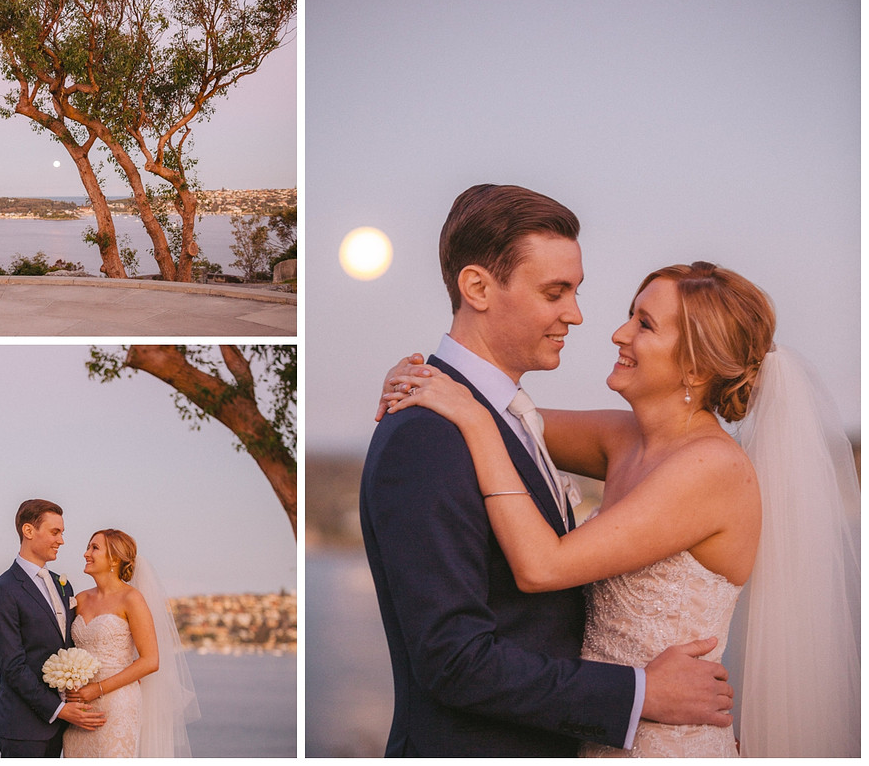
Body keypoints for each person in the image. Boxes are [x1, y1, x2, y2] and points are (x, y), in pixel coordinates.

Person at [383, 261, 860, 756]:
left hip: (667, 741)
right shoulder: (622, 438)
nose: (618, 333)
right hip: (602, 731)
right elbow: (499, 414)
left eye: (645, 325)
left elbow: (542, 566)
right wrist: (420, 382)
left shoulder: (711, 467)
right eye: (630, 315)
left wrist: (474, 423)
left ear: (695, 367)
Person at [359, 184, 734, 757]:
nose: (579, 316)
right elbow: (453, 660)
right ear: (478, 287)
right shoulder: (426, 437)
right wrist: (637, 693)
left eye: (576, 291)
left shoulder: (499, 416)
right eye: (556, 292)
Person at [62, 529, 199, 758]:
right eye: (88, 547)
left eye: (94, 548)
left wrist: (98, 688)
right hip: (79, 706)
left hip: (116, 704)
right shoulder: (81, 599)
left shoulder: (131, 599)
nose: (86, 553)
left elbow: (150, 661)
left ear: (114, 559)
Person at [0, 499, 106, 757]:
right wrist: (59, 709)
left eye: (61, 533)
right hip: (23, 727)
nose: (61, 540)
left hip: (63, 727)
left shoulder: (63, 585)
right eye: (55, 532)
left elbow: (68, 646)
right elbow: (12, 665)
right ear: (28, 531)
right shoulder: (3, 590)